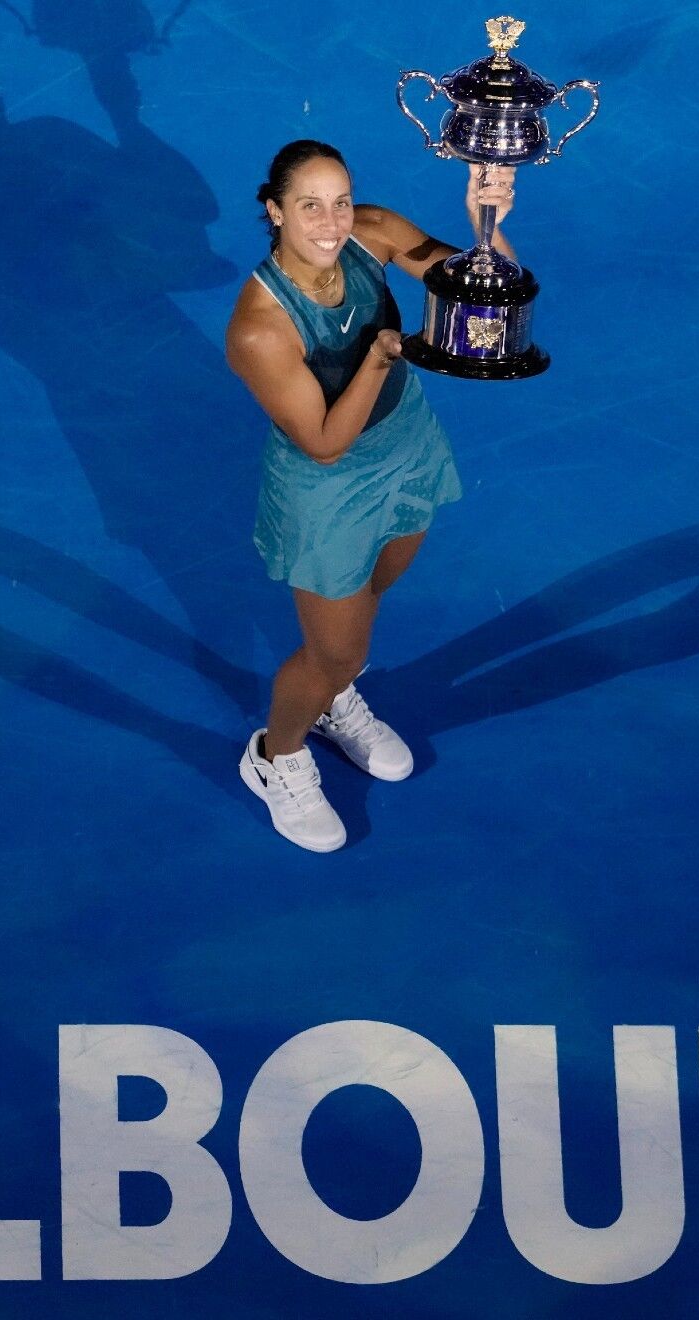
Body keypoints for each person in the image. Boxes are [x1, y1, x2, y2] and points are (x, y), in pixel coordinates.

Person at [226, 139, 514, 852]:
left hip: (406, 447)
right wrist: (384, 355)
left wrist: (486, 219)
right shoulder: (259, 328)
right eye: (309, 206)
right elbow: (323, 442)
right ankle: (278, 755)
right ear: (275, 211)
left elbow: (479, 287)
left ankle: (333, 699)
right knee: (334, 653)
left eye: (341, 201)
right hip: (328, 488)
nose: (331, 222)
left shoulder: (373, 231)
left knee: (374, 593)